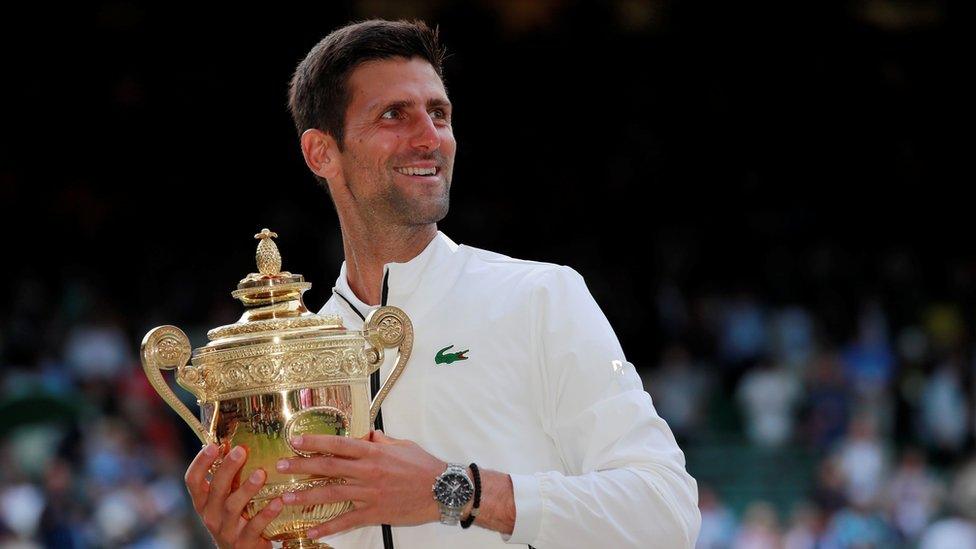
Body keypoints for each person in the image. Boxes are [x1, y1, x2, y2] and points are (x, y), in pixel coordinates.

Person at [182, 19, 700, 548]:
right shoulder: (297, 356)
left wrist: (453, 491)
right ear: (322, 152)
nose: (430, 138)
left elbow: (666, 512)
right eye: (393, 115)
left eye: (439, 114)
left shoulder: (542, 297)